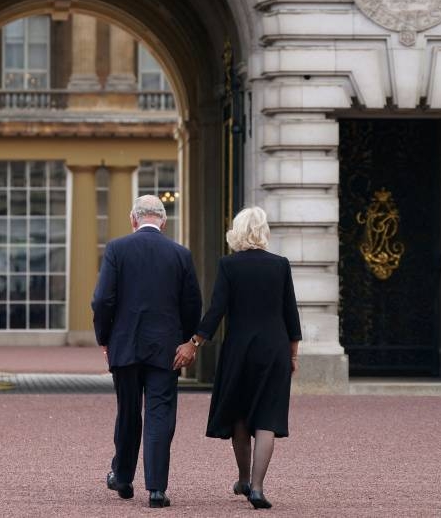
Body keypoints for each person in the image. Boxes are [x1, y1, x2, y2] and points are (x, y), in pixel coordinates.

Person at [173, 206, 302, 510]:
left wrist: (195, 341)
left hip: (239, 349)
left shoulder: (229, 265)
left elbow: (217, 310)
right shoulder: (280, 265)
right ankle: (257, 488)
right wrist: (293, 353)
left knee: (240, 417)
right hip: (274, 348)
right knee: (267, 417)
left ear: (237, 232)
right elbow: (290, 313)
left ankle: (243, 479)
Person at [92, 194, 203, 508]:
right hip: (167, 348)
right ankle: (156, 488)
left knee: (128, 413)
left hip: (125, 344)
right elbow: (193, 303)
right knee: (159, 414)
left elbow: (102, 300)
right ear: (164, 222)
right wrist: (186, 341)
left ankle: (124, 476)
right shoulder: (180, 254)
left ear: (133, 219)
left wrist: (105, 337)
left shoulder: (117, 248)